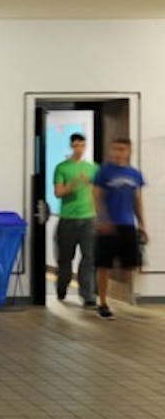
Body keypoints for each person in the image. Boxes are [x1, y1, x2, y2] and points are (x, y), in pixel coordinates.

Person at [93, 137, 148, 320]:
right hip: (108, 225)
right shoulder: (104, 172)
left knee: (130, 265)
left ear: (129, 151)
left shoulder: (135, 174)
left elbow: (137, 200)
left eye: (122, 149)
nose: (118, 153)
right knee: (104, 265)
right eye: (115, 149)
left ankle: (126, 298)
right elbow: (97, 197)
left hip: (127, 224)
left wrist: (142, 224)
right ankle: (102, 303)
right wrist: (103, 220)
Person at [52, 133, 98, 306]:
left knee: (89, 258)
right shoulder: (62, 168)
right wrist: (72, 185)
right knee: (65, 258)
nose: (79, 148)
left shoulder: (93, 168)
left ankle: (88, 295)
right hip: (68, 219)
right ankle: (62, 287)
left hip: (89, 219)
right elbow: (58, 192)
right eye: (76, 145)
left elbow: (98, 192)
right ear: (71, 146)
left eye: (82, 145)